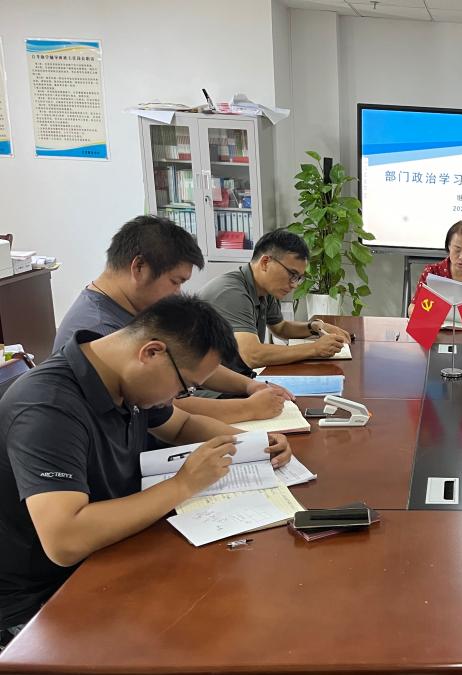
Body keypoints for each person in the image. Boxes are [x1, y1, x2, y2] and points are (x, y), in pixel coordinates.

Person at [0, 295, 293, 651]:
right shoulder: (47, 408)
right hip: (42, 598)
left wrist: (255, 444)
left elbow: (181, 425)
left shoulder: (121, 379)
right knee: (201, 638)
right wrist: (183, 484)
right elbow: (65, 540)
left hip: (109, 554)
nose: (179, 397)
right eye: (184, 387)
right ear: (151, 353)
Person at [53, 215, 291, 423]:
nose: (177, 293)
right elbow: (165, 407)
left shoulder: (131, 308)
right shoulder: (100, 330)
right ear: (139, 267)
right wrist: (248, 408)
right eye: (175, 282)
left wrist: (249, 385)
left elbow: (189, 361)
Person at [198, 229, 352, 375]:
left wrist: (316, 327)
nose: (294, 285)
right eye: (292, 274)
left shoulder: (264, 289)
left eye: (298, 277)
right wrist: (314, 348)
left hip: (236, 377)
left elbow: (280, 327)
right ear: (265, 262)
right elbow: (251, 355)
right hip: (206, 387)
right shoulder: (232, 293)